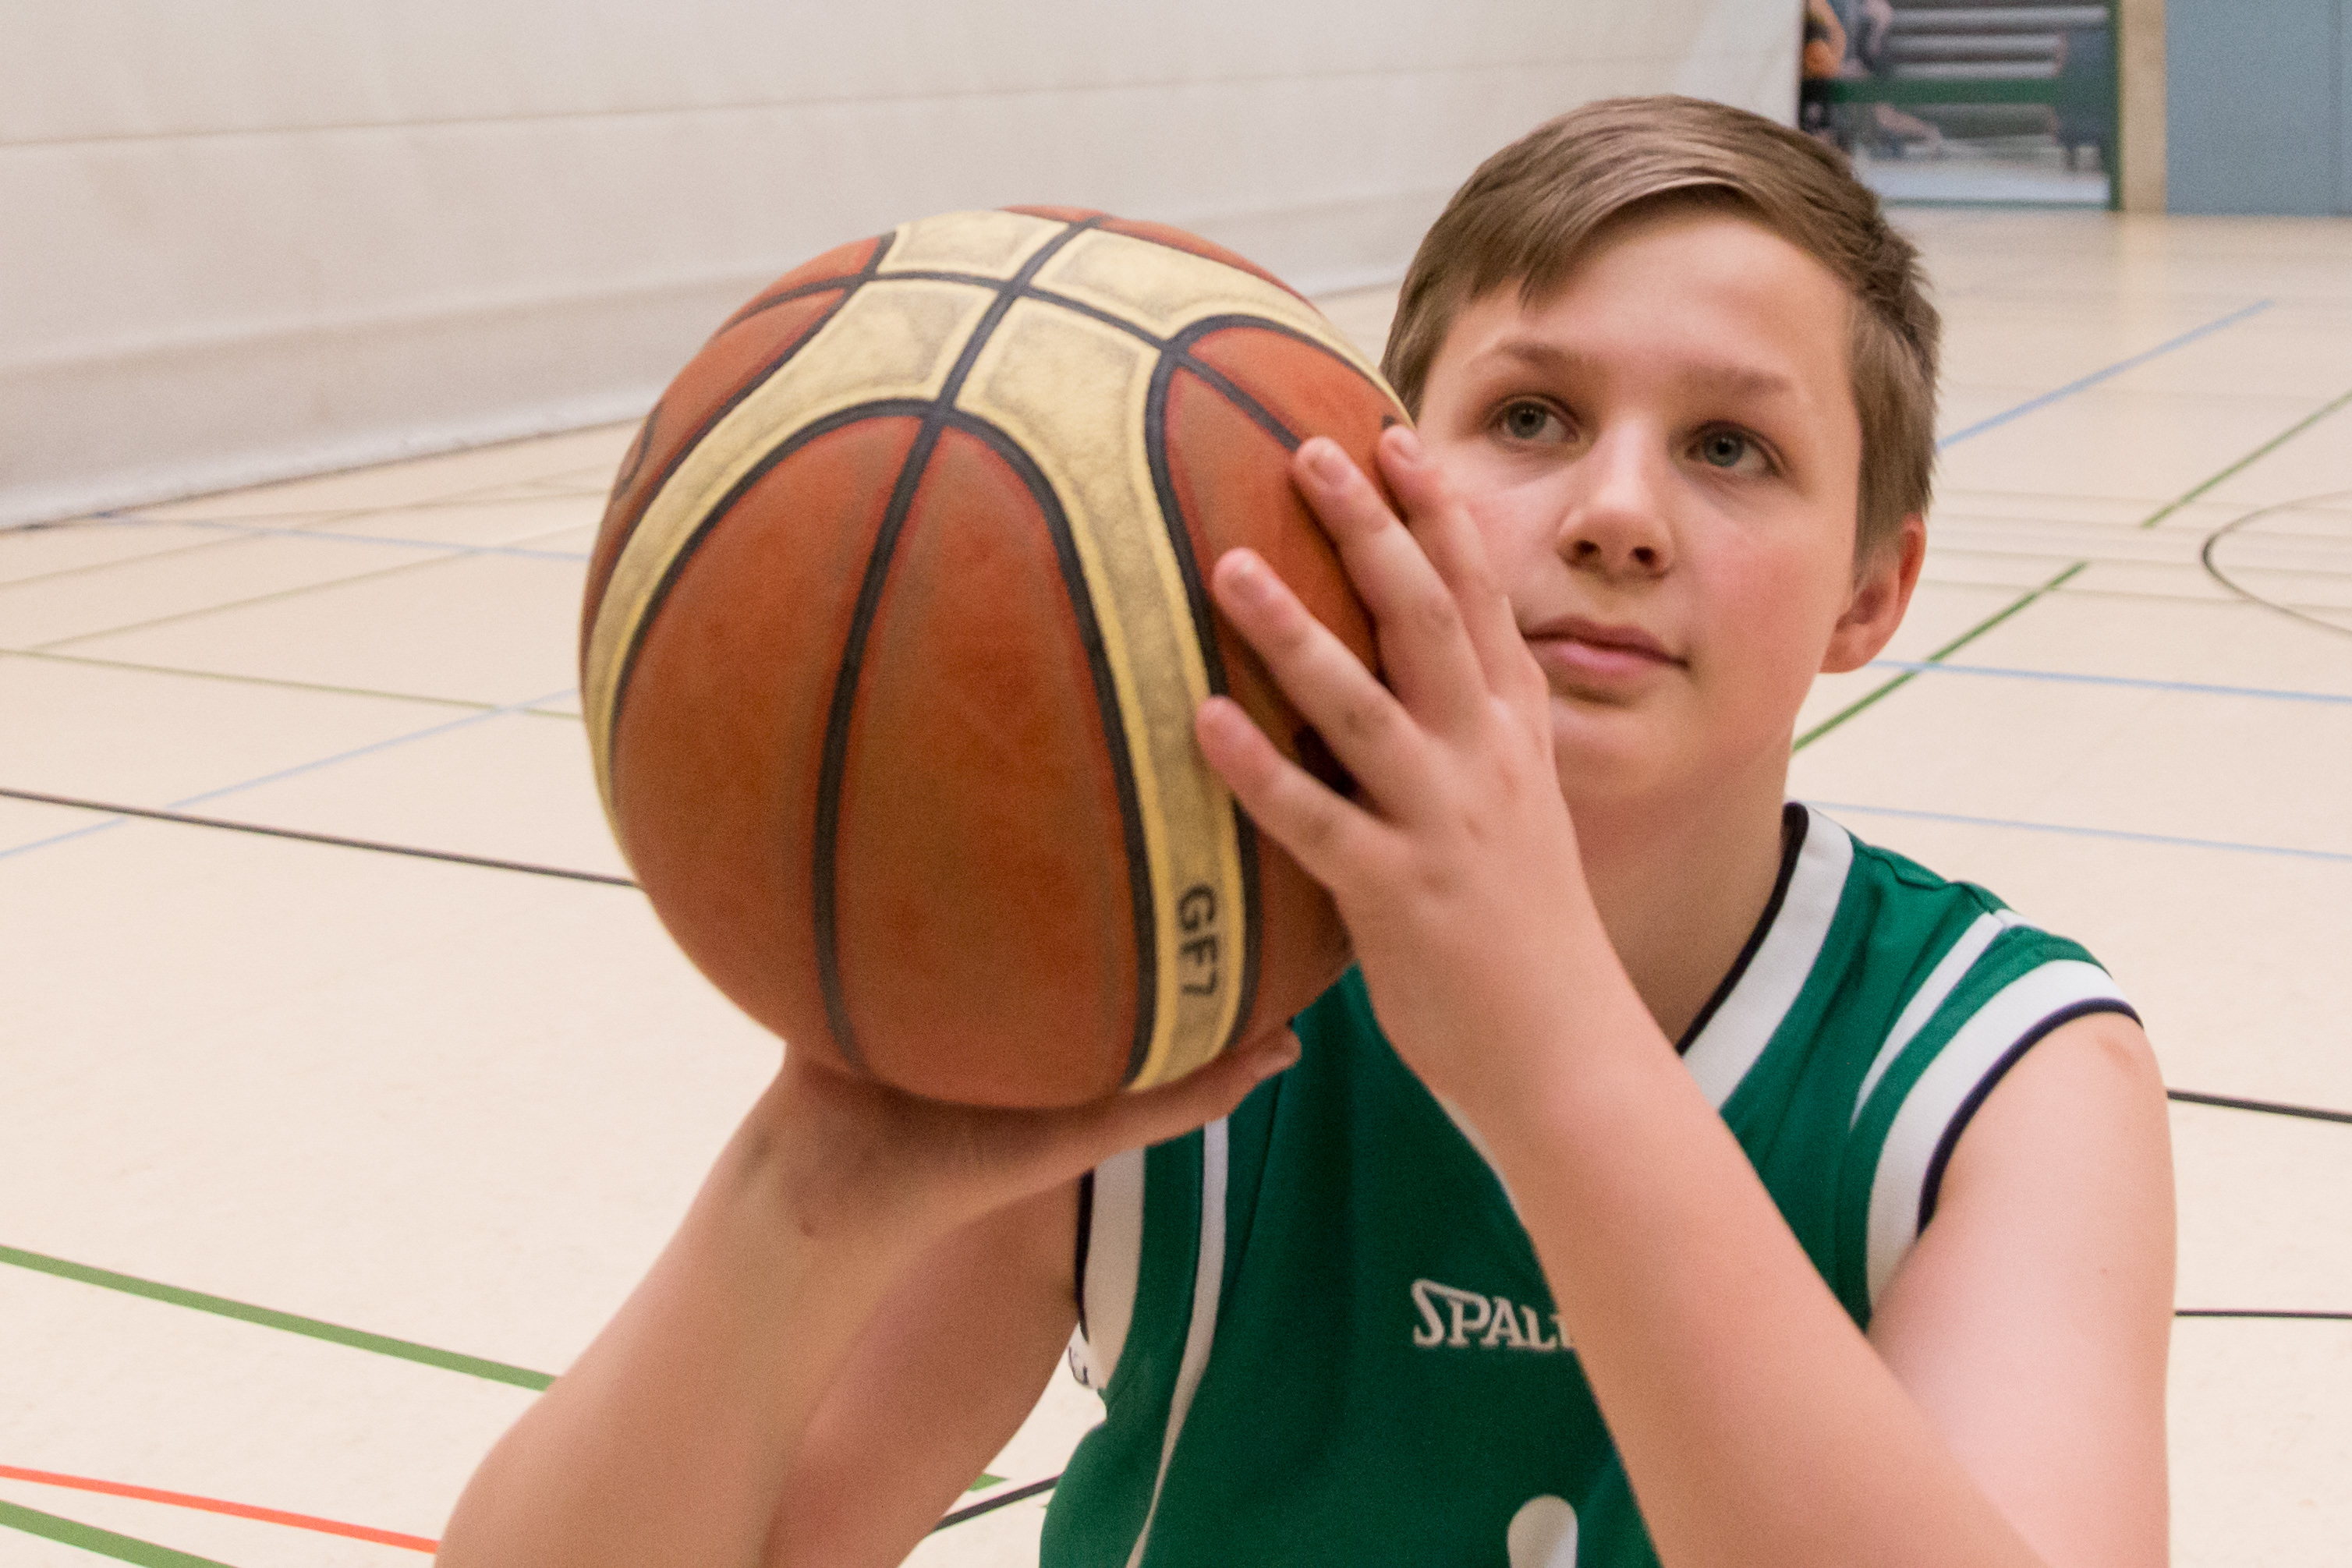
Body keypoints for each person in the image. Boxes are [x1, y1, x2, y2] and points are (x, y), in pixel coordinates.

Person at [437, 96, 2173, 1568]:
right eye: (1530, 417)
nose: (1616, 513)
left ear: (1871, 588)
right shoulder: (1160, 988)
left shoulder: (1999, 1074)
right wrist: (803, 1184)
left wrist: (1549, 1052)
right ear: (1382, 479)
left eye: (1730, 447)